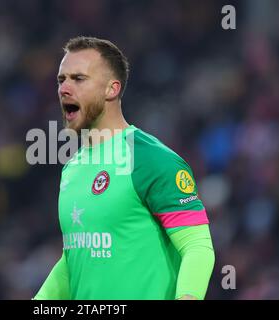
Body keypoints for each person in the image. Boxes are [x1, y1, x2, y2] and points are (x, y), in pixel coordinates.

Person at [34, 36, 215, 300]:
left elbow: (197, 246)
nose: (64, 88)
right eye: (62, 80)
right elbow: (75, 259)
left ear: (112, 89)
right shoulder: (72, 168)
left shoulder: (149, 159)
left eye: (78, 79)